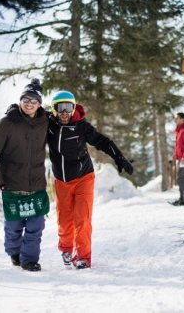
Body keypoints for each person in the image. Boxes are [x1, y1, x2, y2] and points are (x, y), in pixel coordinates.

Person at [47, 90, 133, 269]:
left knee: (82, 218)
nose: (64, 111)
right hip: (61, 180)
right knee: (64, 220)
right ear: (54, 109)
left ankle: (83, 257)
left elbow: (103, 142)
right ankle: (66, 248)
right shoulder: (48, 124)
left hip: (83, 177)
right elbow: (30, 114)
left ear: (73, 108)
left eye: (68, 107)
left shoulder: (81, 126)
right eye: (60, 107)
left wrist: (119, 157)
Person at [0, 78, 49, 272]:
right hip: (12, 185)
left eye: (34, 100)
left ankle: (29, 260)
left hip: (37, 185)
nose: (29, 103)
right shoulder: (7, 123)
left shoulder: (45, 122)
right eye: (26, 99)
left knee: (36, 226)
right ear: (20, 101)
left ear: (39, 104)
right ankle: (14, 252)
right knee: (14, 227)